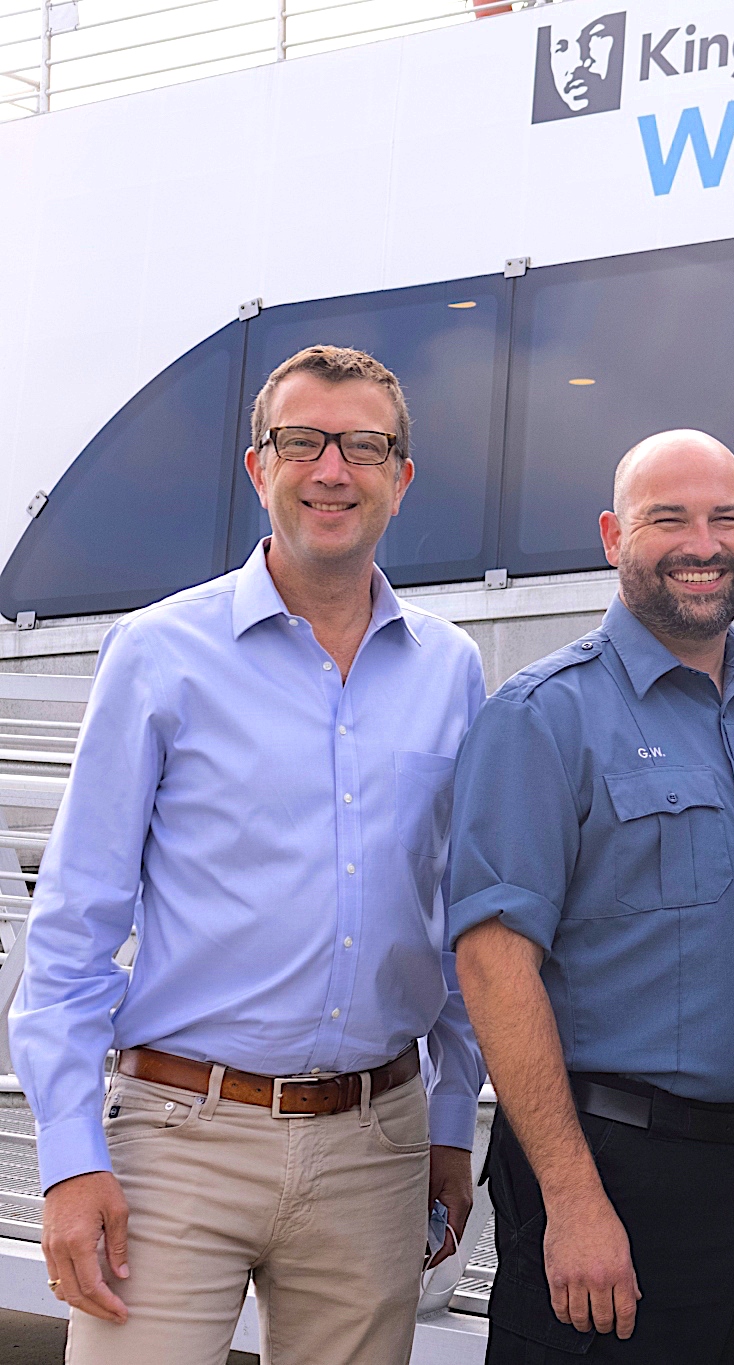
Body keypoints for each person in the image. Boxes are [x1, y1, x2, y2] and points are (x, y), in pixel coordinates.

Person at [10, 345, 485, 1364]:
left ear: (400, 482)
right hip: (179, 1139)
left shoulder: (453, 670)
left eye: (364, 446)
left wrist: (449, 1121)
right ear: (256, 468)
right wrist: (68, 1161)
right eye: (303, 441)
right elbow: (75, 923)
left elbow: (451, 920)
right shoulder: (156, 653)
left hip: (377, 1143)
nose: (331, 470)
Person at [448, 431, 734, 1364]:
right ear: (614, 534)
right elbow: (494, 965)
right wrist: (573, 1199)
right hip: (617, 1173)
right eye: (668, 518)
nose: (702, 542)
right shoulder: (543, 719)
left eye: (724, 518)